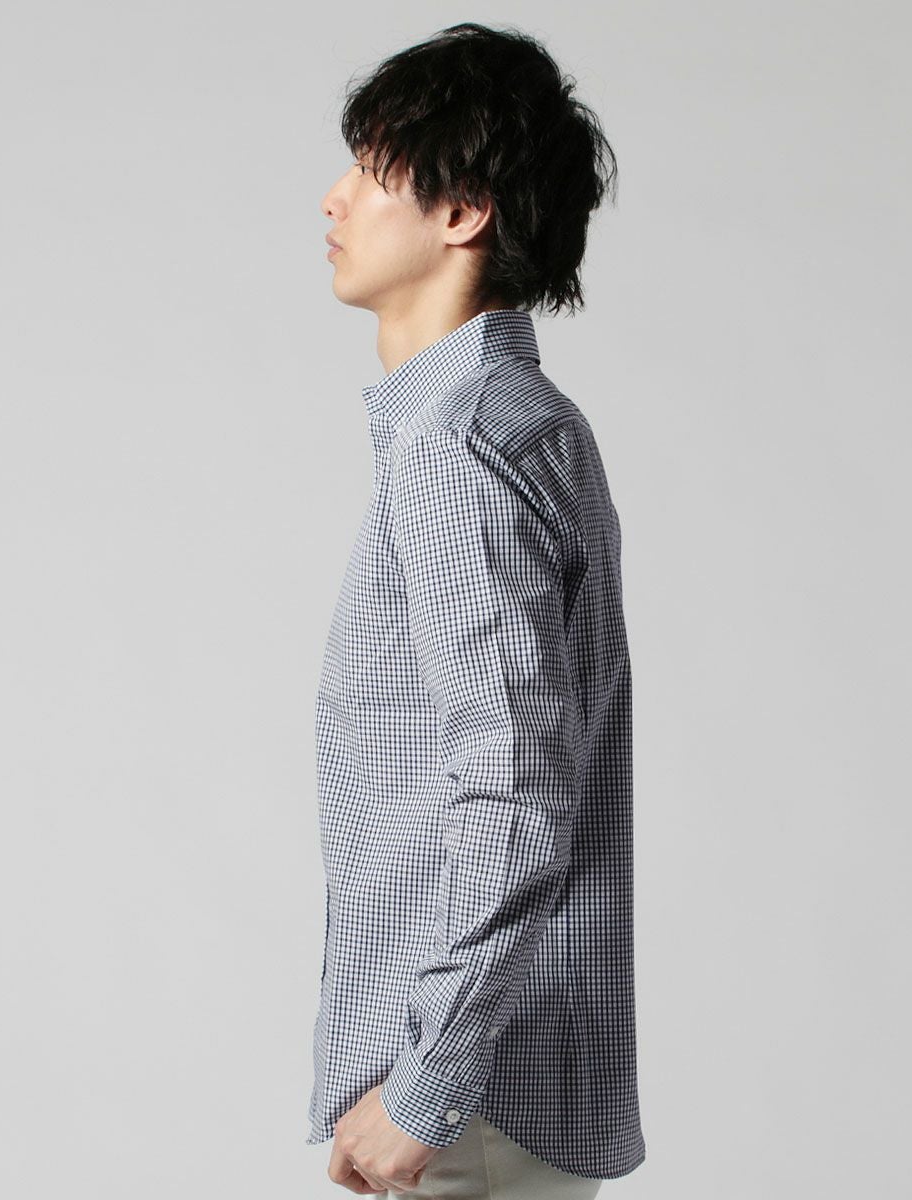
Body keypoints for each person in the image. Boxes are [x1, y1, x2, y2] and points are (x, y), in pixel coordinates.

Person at [304, 21, 646, 1198]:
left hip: (468, 1103)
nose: (334, 198)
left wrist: (423, 1084)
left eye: (371, 170)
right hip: (486, 1088)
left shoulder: (460, 446)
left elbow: (512, 784)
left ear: (462, 213)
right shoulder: (513, 422)